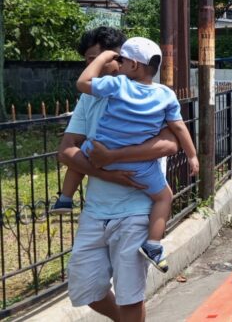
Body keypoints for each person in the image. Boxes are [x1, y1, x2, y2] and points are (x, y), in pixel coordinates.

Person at [57, 27, 180, 321]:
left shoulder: (150, 95)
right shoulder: (90, 98)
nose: (91, 67)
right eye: (88, 61)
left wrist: (113, 157)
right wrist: (109, 173)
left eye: (96, 59)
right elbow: (66, 151)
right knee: (85, 286)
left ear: (119, 58)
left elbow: (170, 143)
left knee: (129, 296)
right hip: (96, 210)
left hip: (136, 209)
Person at [52, 37, 199, 274]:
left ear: (132, 65)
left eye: (121, 59)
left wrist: (102, 57)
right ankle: (153, 244)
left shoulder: (118, 85)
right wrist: (192, 156)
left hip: (98, 152)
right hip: (139, 168)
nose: (117, 63)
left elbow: (83, 82)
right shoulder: (165, 95)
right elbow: (180, 129)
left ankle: (65, 198)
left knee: (77, 160)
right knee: (164, 198)